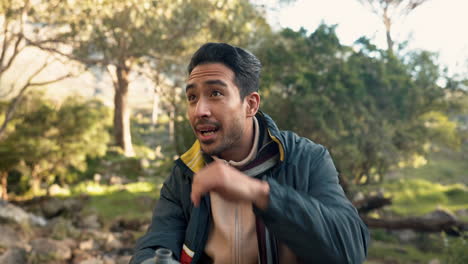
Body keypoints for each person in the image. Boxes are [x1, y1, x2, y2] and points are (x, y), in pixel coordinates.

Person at [131, 43, 369, 264]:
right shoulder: (184, 173)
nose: (199, 110)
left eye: (215, 93)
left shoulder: (307, 159)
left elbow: (351, 251)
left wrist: (261, 194)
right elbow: (156, 243)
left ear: (251, 105)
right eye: (192, 97)